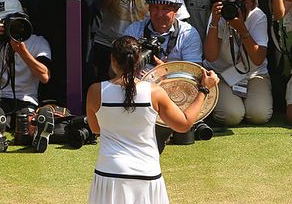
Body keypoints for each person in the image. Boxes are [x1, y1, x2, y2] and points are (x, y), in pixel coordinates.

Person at [85, 35, 219, 204]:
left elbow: (96, 129)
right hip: (147, 173)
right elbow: (184, 124)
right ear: (138, 61)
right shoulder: (155, 92)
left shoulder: (95, 91)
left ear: (112, 60)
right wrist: (204, 90)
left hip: (109, 172)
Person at [0, 0, 54, 153]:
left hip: (26, 100)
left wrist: (22, 51)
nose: (7, 26)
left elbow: (45, 76)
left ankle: (36, 134)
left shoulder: (37, 42)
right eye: (1, 22)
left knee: (26, 123)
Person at [203, 0, 273, 125]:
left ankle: (245, 101)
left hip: (254, 73)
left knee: (259, 115)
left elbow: (258, 59)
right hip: (222, 74)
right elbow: (210, 56)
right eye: (233, 2)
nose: (237, 7)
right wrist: (215, 24)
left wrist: (242, 29)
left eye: (242, 2)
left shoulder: (258, 16)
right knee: (231, 116)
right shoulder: (219, 17)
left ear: (253, 1)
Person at [123, 0, 202, 72]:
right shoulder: (134, 30)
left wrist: (166, 71)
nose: (160, 14)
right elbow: (115, 69)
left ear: (176, 10)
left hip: (172, 84)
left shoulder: (188, 34)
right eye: (156, 8)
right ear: (149, 8)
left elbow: (194, 73)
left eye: (166, 9)